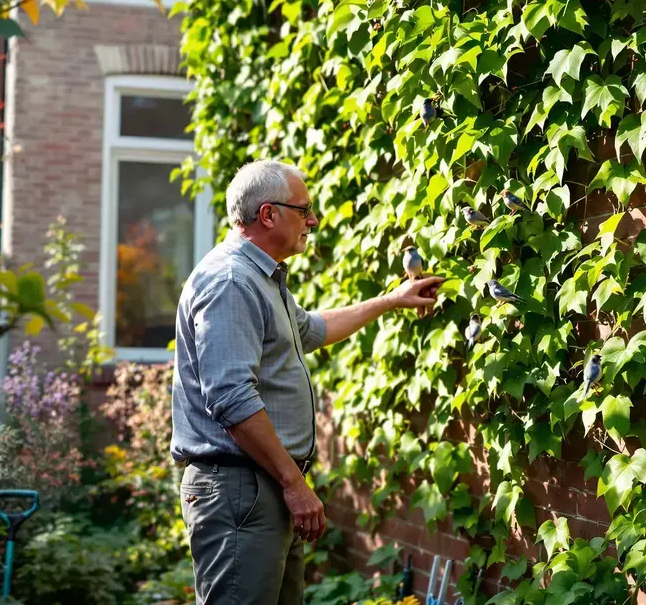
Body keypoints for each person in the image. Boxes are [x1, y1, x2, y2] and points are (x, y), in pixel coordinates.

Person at [170, 160, 443, 604]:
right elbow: (231, 399)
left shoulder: (261, 277)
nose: (313, 220)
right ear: (268, 215)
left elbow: (313, 329)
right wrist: (294, 484)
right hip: (243, 489)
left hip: (262, 486)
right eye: (305, 209)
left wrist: (390, 301)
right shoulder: (231, 282)